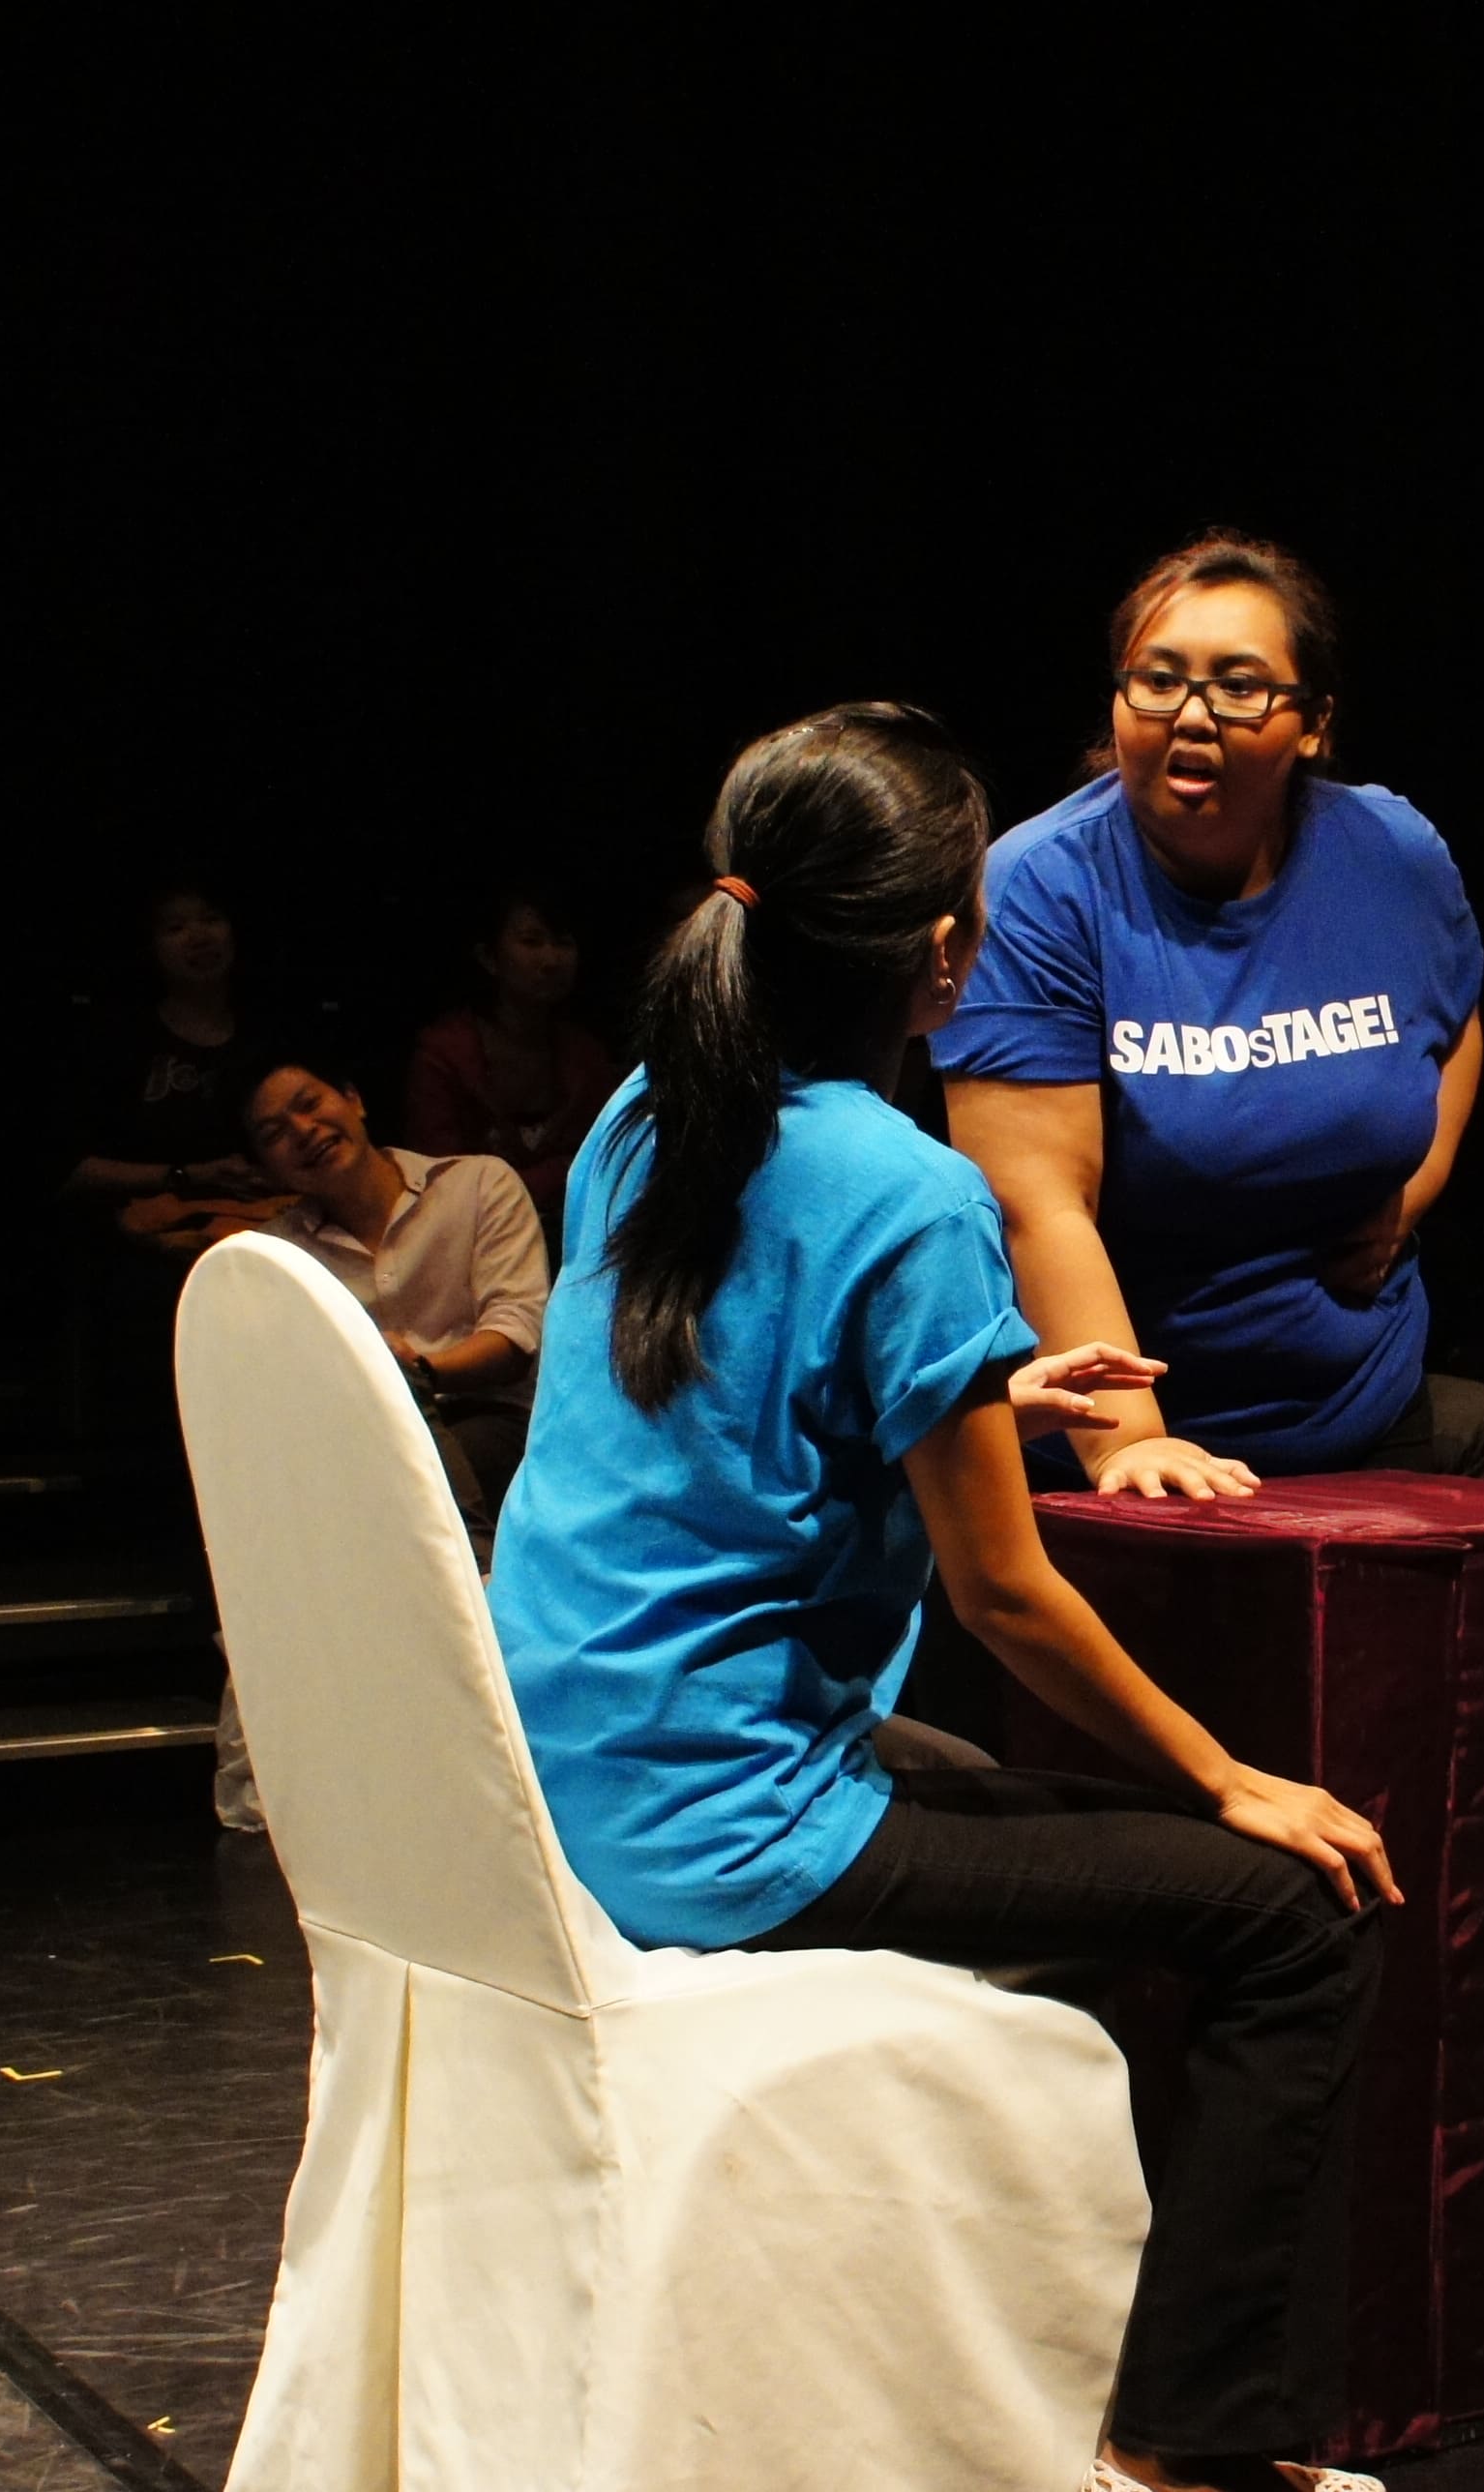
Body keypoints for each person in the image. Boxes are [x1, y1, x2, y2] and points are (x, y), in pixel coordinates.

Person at [484, 704, 1397, 2492]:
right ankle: (1191, 2448)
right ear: (946, 953)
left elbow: (711, 1381)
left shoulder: (643, 1115)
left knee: (1000, 1783)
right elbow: (1009, 1599)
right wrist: (1234, 1780)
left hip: (561, 1755)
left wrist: (976, 1395)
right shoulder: (915, 1191)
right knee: (1296, 1914)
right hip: (724, 1823)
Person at [939, 530, 1484, 1497]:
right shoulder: (1038, 888)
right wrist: (1125, 1442)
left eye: (1239, 685)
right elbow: (1037, 1207)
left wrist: (1409, 1193)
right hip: (1128, 1441)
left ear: (1313, 722)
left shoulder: (1392, 854)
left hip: (1357, 1402)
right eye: (1158, 680)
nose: (1192, 714)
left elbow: (1453, 1020)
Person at [242, 1062, 551, 1531]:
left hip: (491, 1415)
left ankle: (476, 1571)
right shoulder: (279, 1254)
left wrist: (414, 1370)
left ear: (354, 1100)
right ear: (265, 1166)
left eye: (309, 1105)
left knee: (412, 1464)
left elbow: (515, 1337)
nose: (304, 1131)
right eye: (274, 1134)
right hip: (359, 1437)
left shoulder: (478, 1184)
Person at [398, 882, 620, 1242]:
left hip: (574, 1237)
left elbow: (606, 1161)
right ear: (488, 958)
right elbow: (439, 1179)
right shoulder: (443, 1057)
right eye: (532, 942)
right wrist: (555, 1175)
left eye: (563, 942)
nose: (551, 960)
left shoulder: (586, 1055)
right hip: (468, 1239)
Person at [62, 880, 285, 1227]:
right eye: (175, 927)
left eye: (211, 918)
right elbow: (72, 1169)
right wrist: (191, 1175)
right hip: (147, 1239)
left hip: (266, 1226)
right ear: (150, 948)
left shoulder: (271, 1034)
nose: (199, 937)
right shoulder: (117, 1040)